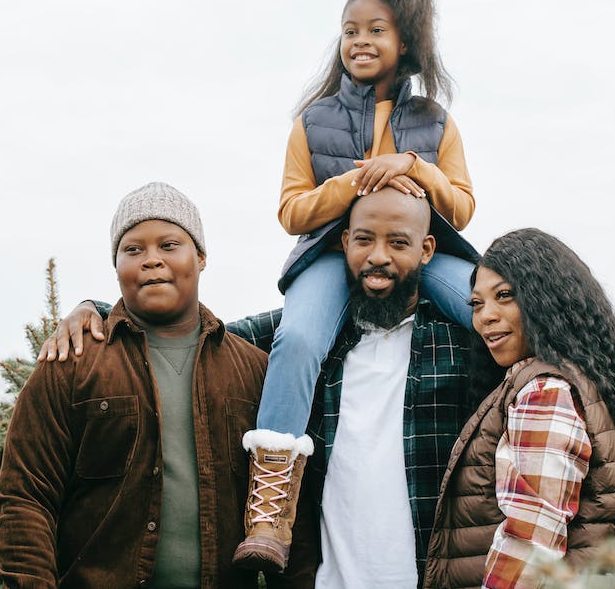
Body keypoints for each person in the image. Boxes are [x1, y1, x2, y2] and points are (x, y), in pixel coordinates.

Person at [42, 188, 475, 586]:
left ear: (426, 250)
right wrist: (96, 310)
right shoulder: (308, 340)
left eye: (398, 243)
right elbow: (199, 335)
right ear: (345, 245)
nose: (378, 257)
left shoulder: (460, 346)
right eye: (364, 240)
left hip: (429, 576)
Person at [238, 0, 478, 570]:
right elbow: (292, 211)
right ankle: (270, 511)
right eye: (350, 30)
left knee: (493, 308)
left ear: (406, 43)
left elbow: (464, 207)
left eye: (377, 30)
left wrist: (417, 168)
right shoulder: (312, 121)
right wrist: (346, 186)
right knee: (297, 338)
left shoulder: (436, 123)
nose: (361, 41)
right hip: (329, 254)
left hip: (419, 257)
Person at [0, 182, 312, 588]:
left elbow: (293, 518)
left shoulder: (253, 371)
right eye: (133, 250)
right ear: (116, 265)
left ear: (199, 258)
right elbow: (26, 497)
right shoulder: (71, 364)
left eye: (168, 245)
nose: (151, 261)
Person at [423, 229, 615, 588]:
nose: (486, 316)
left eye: (504, 296)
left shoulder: (543, 393)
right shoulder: (573, 380)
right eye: (477, 304)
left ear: (545, 299)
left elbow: (529, 546)